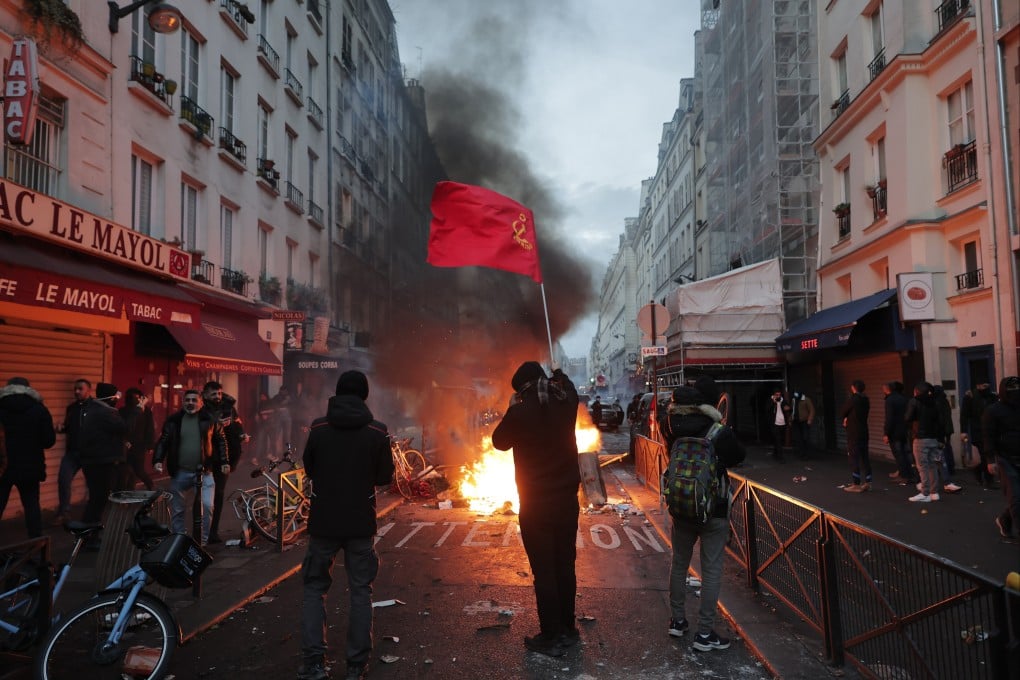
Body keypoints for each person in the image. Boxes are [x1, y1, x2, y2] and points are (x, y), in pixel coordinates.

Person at [299, 370, 394, 680]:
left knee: (315, 590)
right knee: (361, 592)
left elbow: (309, 467)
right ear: (364, 395)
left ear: (337, 394)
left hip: (323, 521)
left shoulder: (319, 427)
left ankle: (314, 663)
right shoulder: (377, 432)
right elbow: (383, 477)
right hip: (360, 523)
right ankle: (356, 666)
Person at [492, 361, 581, 658]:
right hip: (567, 502)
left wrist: (512, 406)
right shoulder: (565, 402)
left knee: (544, 572)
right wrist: (558, 373)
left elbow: (498, 441)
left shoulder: (520, 411)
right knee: (565, 565)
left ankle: (551, 635)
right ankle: (568, 629)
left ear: (521, 389)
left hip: (535, 505)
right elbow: (569, 388)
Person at [659, 384, 745, 651]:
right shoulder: (718, 431)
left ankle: (677, 620)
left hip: (682, 505)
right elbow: (738, 457)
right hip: (714, 508)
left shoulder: (668, 426)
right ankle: (705, 634)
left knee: (679, 564)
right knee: (711, 570)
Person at [152, 390, 228, 544]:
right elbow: (164, 440)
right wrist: (158, 459)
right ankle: (179, 539)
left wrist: (224, 461)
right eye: (187, 400)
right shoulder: (174, 421)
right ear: (182, 402)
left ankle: (202, 541)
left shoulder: (210, 420)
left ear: (201, 403)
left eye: (194, 400)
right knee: (178, 509)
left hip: (205, 472)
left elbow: (221, 440)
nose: (190, 403)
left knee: (207, 507)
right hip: (180, 472)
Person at [0, 377, 56, 538]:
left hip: (3, 466)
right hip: (30, 467)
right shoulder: (39, 409)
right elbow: (49, 441)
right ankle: (36, 547)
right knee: (32, 507)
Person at [202, 381, 248, 544]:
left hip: (224, 457)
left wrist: (242, 435)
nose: (217, 397)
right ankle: (201, 531)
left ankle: (213, 531)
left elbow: (237, 425)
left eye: (219, 393)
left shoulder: (228, 408)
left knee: (219, 494)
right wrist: (216, 424)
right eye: (214, 394)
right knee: (203, 498)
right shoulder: (201, 409)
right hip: (205, 457)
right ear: (206, 394)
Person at [79, 383, 127, 526]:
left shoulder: (93, 408)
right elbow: (124, 427)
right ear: (111, 398)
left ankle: (89, 532)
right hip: (100, 463)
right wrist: (137, 410)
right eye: (116, 397)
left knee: (96, 499)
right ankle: (89, 534)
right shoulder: (105, 412)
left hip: (93, 461)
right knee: (98, 499)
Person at [982, 376, 1020, 540]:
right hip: (1005, 458)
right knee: (1016, 497)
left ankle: (1005, 519)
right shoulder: (993, 411)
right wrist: (991, 460)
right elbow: (988, 435)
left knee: (1017, 498)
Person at [56, 378, 92, 523]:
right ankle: (64, 512)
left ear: (89, 390)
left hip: (90, 454)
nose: (76, 391)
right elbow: (69, 427)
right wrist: (61, 429)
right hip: (72, 453)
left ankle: (93, 515)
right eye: (75, 389)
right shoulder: (71, 408)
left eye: (80, 389)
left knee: (93, 484)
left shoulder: (96, 408)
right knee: (63, 480)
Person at [904, 381, 945, 503]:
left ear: (917, 391)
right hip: (934, 438)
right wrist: (941, 439)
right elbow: (940, 422)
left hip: (920, 438)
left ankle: (925, 493)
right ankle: (934, 492)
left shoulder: (915, 401)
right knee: (932, 465)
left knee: (922, 466)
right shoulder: (935, 403)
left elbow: (907, 418)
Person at [961, 382, 998, 489]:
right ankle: (989, 480)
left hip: (990, 430)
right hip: (978, 430)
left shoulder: (992, 397)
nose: (985, 388)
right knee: (985, 454)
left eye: (987, 386)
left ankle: (979, 471)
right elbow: (965, 415)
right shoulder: (970, 398)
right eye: (983, 386)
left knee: (986, 454)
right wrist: (964, 431)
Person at [119, 388, 156, 492]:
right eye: (131, 397)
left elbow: (149, 428)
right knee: (126, 470)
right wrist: (124, 440)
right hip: (126, 445)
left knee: (138, 470)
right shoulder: (123, 411)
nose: (134, 400)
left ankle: (151, 486)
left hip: (139, 445)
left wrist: (150, 445)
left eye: (136, 398)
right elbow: (121, 428)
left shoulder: (146, 411)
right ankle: (129, 492)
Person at [840, 380, 871, 492]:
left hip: (854, 432)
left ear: (853, 388)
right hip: (864, 430)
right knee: (865, 457)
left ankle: (856, 484)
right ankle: (868, 481)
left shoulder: (853, 399)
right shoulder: (866, 400)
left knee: (853, 457)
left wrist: (846, 418)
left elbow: (843, 411)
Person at [882, 381, 915, 485]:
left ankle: (904, 476)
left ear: (887, 389)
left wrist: (886, 433)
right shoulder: (904, 398)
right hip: (904, 430)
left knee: (898, 454)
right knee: (905, 453)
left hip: (894, 431)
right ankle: (909, 474)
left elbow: (889, 418)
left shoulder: (890, 400)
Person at [933, 385, 962, 493]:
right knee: (946, 449)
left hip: (942, 430)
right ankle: (950, 468)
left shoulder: (937, 402)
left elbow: (940, 419)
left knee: (941, 453)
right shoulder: (944, 400)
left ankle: (947, 471)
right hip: (947, 429)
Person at [790, 390, 816, 459]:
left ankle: (807, 454)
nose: (795, 395)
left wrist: (810, 419)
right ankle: (801, 453)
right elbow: (792, 411)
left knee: (805, 437)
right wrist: (790, 420)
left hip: (804, 421)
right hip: (796, 421)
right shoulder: (793, 400)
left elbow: (812, 410)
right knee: (798, 438)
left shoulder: (806, 400)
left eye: (796, 394)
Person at [769, 389, 791, 463]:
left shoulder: (783, 401)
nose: (778, 396)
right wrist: (773, 402)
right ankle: (780, 457)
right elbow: (767, 410)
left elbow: (789, 407)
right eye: (777, 395)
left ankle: (775, 453)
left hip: (782, 423)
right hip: (775, 424)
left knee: (778, 439)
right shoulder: (771, 401)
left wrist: (788, 408)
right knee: (778, 440)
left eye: (779, 395)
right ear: (774, 395)